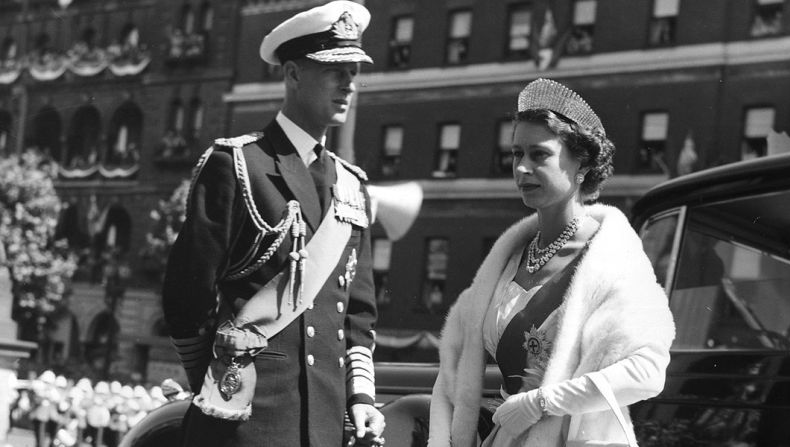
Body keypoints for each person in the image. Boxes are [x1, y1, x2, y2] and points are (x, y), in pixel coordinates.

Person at [161, 2, 385, 446]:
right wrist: (222, 373)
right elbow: (186, 296)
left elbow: (358, 315)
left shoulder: (351, 185)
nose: (349, 83)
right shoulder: (238, 164)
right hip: (245, 420)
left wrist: (360, 397)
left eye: (354, 70)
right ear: (292, 74)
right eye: (333, 70)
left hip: (324, 419)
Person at [427, 79, 676, 447]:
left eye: (539, 155)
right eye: (516, 154)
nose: (522, 168)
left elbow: (647, 371)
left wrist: (542, 402)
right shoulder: (507, 259)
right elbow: (451, 372)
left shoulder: (612, 258)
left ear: (581, 164)